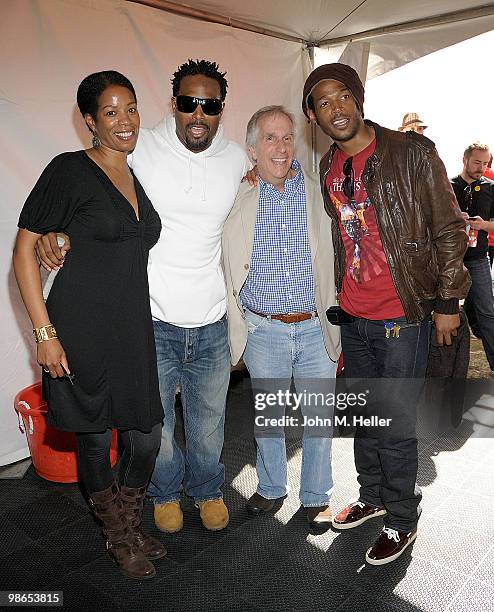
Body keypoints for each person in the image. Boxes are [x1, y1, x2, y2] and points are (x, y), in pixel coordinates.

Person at [36, 60, 250, 534]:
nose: (199, 113)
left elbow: (267, 181)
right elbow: (86, 185)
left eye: (210, 104)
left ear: (220, 110)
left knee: (210, 421)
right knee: (157, 431)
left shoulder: (237, 159)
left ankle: (208, 489)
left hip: (212, 318)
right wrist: (55, 230)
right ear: (173, 105)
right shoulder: (140, 145)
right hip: (149, 318)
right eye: (189, 102)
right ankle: (164, 493)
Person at [303, 63, 469, 565]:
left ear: (358, 98)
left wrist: (447, 301)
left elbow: (449, 229)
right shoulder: (329, 165)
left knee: (394, 424)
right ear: (313, 116)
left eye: (342, 97)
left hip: (402, 315)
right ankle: (373, 496)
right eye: (323, 103)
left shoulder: (412, 152)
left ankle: (402, 518)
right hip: (354, 316)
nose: (336, 108)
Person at [13, 71, 165, 579]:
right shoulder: (69, 169)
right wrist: (44, 333)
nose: (126, 121)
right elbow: (22, 253)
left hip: (133, 331)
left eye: (132, 108)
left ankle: (127, 517)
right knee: (96, 440)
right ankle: (119, 535)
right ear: (89, 122)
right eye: (111, 112)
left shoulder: (133, 174)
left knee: (146, 439)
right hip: (80, 328)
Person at [222, 106, 340, 527]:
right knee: (268, 419)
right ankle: (271, 489)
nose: (281, 146)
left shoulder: (318, 191)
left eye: (288, 137)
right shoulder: (234, 195)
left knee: (319, 419)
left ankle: (315, 495)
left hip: (313, 327)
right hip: (263, 329)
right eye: (270, 138)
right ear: (252, 149)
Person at [451, 143, 494, 372]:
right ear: (465, 159)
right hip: (450, 260)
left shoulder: (491, 188)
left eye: (485, 163)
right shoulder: (447, 187)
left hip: (478, 258)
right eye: (477, 162)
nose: (481, 168)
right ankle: (444, 367)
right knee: (445, 311)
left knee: (487, 312)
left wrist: (484, 224)